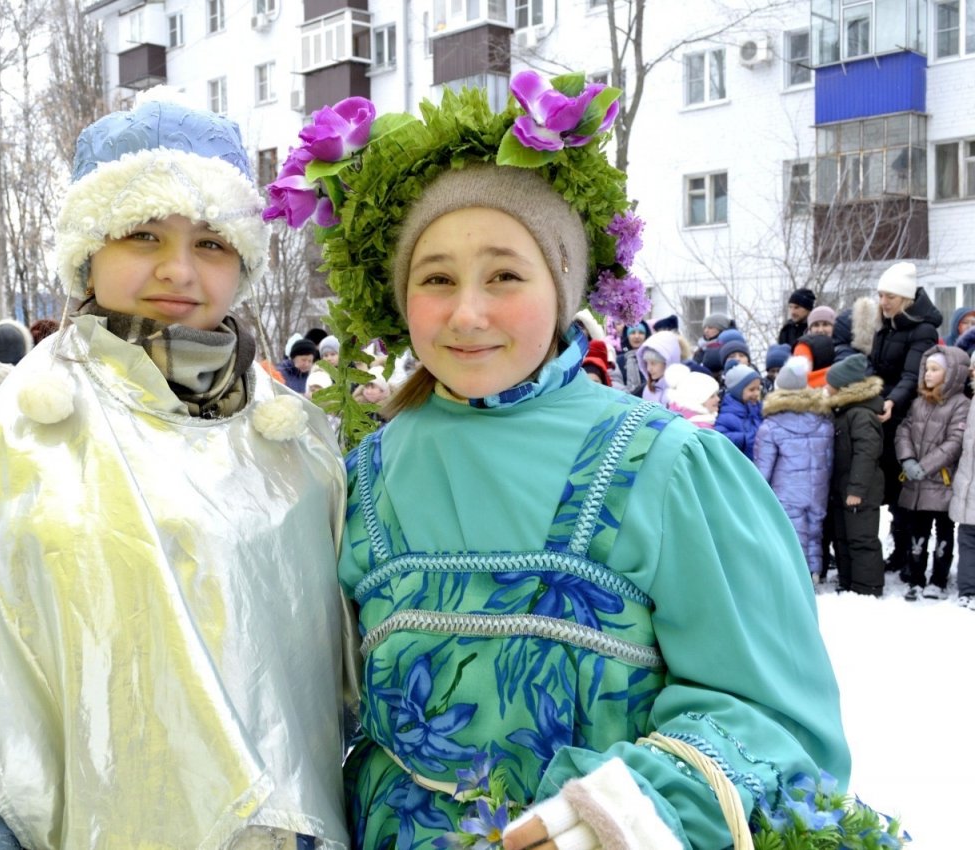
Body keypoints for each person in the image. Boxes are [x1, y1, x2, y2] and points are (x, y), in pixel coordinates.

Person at [267, 75, 849, 850]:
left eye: (505, 275)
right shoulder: (360, 478)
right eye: (436, 278)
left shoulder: (666, 466)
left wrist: (623, 815)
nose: (468, 311)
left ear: (564, 285)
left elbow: (772, 717)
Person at [0, 95, 352, 849]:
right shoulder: (17, 444)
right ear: (89, 251)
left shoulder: (293, 440)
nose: (178, 268)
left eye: (211, 242)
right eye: (143, 233)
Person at [869, 262, 942, 574]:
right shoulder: (885, 325)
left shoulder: (923, 330)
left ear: (907, 299)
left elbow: (913, 376)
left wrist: (891, 401)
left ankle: (910, 556)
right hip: (885, 412)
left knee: (906, 492)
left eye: (891, 297)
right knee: (892, 491)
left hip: (907, 419)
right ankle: (899, 551)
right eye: (881, 295)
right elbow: (873, 366)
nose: (884, 302)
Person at [895, 346, 970, 600]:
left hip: (943, 482)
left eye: (935, 369)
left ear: (951, 374)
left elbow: (955, 442)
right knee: (918, 531)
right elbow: (904, 430)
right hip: (917, 484)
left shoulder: (961, 404)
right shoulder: (919, 402)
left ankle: (938, 580)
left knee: (944, 533)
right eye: (926, 369)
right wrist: (907, 459)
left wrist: (925, 466)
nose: (928, 374)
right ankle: (916, 578)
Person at [754, 357, 834, 582]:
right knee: (814, 531)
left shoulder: (771, 426)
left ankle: (796, 577)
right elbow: (828, 460)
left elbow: (763, 469)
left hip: (786, 491)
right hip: (818, 488)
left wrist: (759, 493)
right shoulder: (823, 422)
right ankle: (814, 572)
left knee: (791, 533)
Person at [825, 354, 886, 596]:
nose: (826, 387)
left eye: (830, 383)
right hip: (843, 487)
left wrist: (857, 489)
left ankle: (867, 587)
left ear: (843, 386)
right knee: (843, 536)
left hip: (860, 489)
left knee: (861, 538)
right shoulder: (843, 411)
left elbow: (866, 453)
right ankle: (848, 581)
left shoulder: (861, 414)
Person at [947, 354, 975, 607]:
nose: (972, 372)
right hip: (968, 482)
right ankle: (968, 589)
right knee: (967, 536)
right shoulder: (970, 400)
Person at [715, 363, 764, 458]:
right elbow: (721, 438)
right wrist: (744, 439)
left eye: (758, 388)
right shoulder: (726, 414)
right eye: (752, 389)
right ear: (737, 390)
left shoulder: (756, 408)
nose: (757, 393)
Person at [663, 362, 719, 427]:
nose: (718, 399)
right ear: (697, 399)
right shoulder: (699, 427)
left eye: (717, 394)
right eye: (712, 396)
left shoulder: (679, 419)